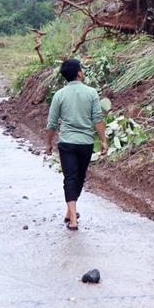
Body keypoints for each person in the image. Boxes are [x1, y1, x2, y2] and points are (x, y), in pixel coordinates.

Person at [44, 58, 107, 230]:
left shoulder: (59, 95)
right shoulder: (92, 93)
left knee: (70, 178)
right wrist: (103, 140)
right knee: (78, 177)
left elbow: (52, 123)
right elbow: (97, 119)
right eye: (82, 69)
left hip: (66, 143)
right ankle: (73, 219)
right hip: (85, 143)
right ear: (79, 73)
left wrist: (48, 143)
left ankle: (69, 213)